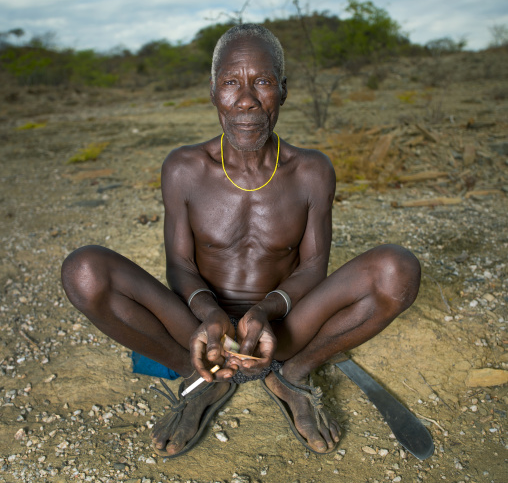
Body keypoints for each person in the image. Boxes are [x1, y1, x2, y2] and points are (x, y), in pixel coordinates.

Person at [61, 24, 421, 458]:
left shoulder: (312, 171)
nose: (247, 100)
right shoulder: (184, 168)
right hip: (196, 328)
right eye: (231, 82)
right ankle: (199, 379)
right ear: (214, 92)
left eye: (263, 82)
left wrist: (265, 311)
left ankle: (294, 376)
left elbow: (312, 267)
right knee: (84, 271)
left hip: (284, 329)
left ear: (283, 91)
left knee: (397, 271)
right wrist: (211, 315)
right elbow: (180, 264)